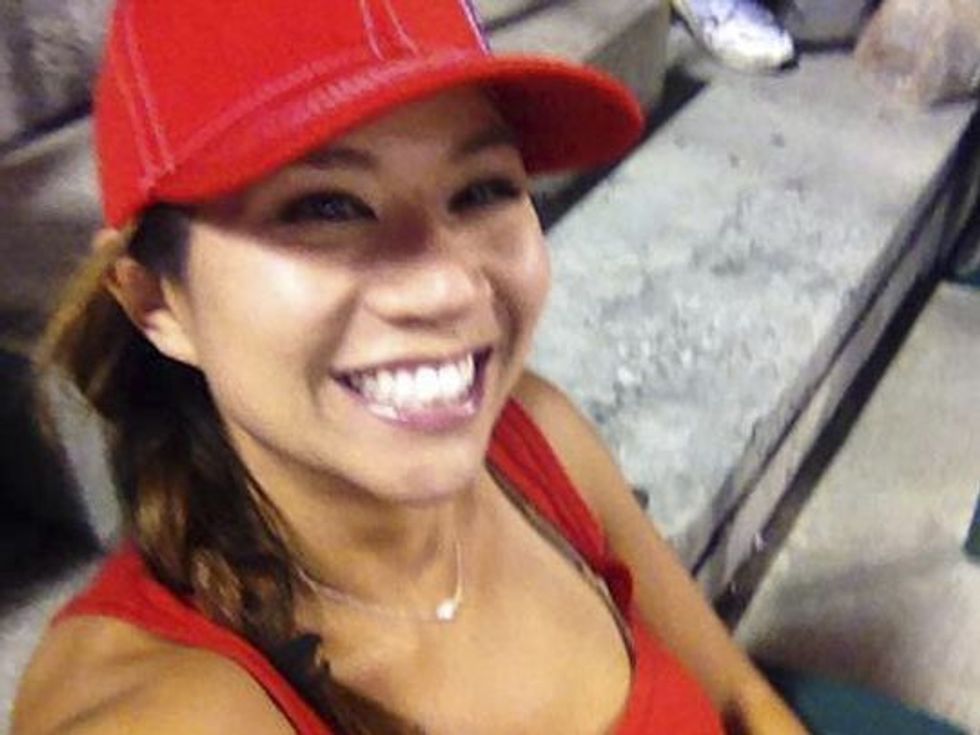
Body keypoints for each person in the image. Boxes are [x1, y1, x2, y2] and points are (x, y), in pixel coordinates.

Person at [12, 0, 808, 733]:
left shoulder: (536, 440)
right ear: (157, 300)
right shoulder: (168, 708)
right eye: (325, 206)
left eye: (482, 189)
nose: (449, 287)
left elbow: (741, 699)